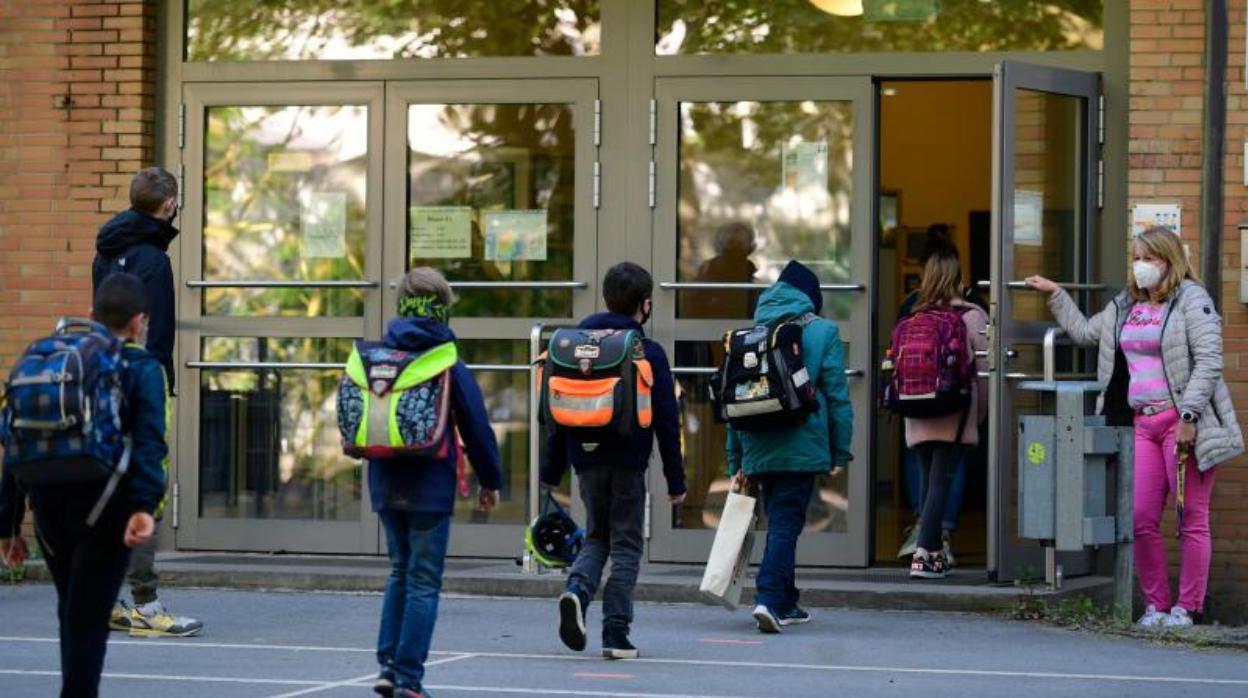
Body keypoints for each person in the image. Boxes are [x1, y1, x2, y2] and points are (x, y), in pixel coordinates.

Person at [1026, 226, 1243, 627]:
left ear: (1169, 260)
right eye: (1136, 257)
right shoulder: (1126, 304)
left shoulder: (1192, 300)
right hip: (1143, 424)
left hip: (1182, 423)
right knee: (1141, 518)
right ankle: (1156, 606)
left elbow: (1210, 362)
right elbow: (1086, 334)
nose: (1140, 266)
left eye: (1149, 258)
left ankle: (1188, 608)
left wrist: (1190, 417)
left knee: (1190, 517)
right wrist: (1057, 295)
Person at [0, 273, 169, 698]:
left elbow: (14, 437)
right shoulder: (143, 368)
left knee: (72, 609)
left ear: (92, 315)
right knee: (89, 617)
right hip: (107, 504)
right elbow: (150, 443)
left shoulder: (48, 358)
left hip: (48, 501)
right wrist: (145, 507)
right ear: (139, 322)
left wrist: (7, 522)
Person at [543, 262, 687, 659]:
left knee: (596, 536)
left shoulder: (572, 349)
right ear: (644, 304)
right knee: (625, 546)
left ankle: (576, 590)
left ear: (605, 298)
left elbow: (553, 414)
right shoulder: (646, 351)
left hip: (584, 462)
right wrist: (676, 482)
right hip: (627, 462)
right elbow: (666, 420)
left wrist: (550, 473)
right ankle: (615, 634)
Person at [370, 268, 503, 698]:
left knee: (399, 572)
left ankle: (388, 667)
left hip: (385, 481)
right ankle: (410, 679)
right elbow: (477, 428)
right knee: (424, 580)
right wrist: (490, 480)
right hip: (430, 485)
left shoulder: (381, 359)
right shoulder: (447, 362)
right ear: (443, 310)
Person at [92, 167, 202, 637]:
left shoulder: (106, 250)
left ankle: (107, 597)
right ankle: (146, 604)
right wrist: (155, 382)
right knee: (144, 486)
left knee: (108, 485)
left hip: (102, 371)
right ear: (170, 204)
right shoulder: (154, 258)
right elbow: (153, 331)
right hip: (141, 379)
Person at [726, 259, 854, 632]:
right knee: (785, 520)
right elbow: (837, 396)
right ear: (811, 298)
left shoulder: (753, 333)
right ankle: (768, 599)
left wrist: (736, 456)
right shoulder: (822, 332)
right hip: (801, 441)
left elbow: (735, 400)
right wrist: (839, 449)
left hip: (758, 443)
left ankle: (787, 599)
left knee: (782, 518)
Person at [895, 226, 987, 565]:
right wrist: (978, 416)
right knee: (944, 476)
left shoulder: (911, 310)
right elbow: (986, 373)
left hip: (915, 407)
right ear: (958, 275)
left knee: (925, 476)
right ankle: (928, 550)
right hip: (956, 409)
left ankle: (927, 542)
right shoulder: (973, 313)